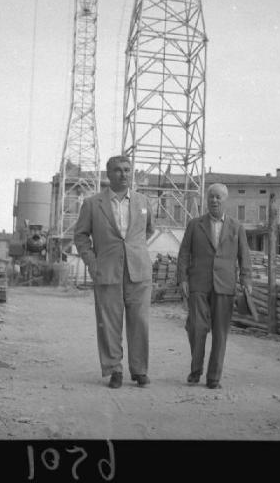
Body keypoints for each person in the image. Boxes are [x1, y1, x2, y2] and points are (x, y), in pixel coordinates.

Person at [74, 155, 155, 389]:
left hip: (138, 271)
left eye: (127, 170)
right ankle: (114, 369)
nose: (123, 174)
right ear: (108, 174)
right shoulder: (92, 204)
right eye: (118, 170)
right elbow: (80, 236)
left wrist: (133, 250)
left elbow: (148, 230)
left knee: (139, 321)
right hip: (106, 270)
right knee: (109, 321)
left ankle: (140, 370)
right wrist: (92, 262)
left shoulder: (143, 202)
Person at [176, 183, 252, 389]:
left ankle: (213, 377)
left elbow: (244, 256)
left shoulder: (237, 227)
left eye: (218, 197)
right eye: (211, 197)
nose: (214, 200)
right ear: (206, 200)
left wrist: (246, 280)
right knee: (196, 328)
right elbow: (183, 254)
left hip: (225, 286)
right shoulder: (195, 225)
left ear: (226, 200)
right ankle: (195, 369)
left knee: (220, 333)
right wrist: (182, 279)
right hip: (198, 284)